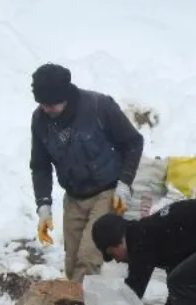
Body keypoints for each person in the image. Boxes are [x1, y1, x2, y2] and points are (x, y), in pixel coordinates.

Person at [30, 63, 144, 283]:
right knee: (72, 263)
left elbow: (133, 142)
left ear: (64, 95)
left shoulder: (99, 107)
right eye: (44, 104)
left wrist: (124, 183)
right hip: (74, 196)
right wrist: (43, 205)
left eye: (53, 104)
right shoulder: (40, 120)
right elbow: (40, 165)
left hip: (106, 191)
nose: (48, 109)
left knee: (88, 259)